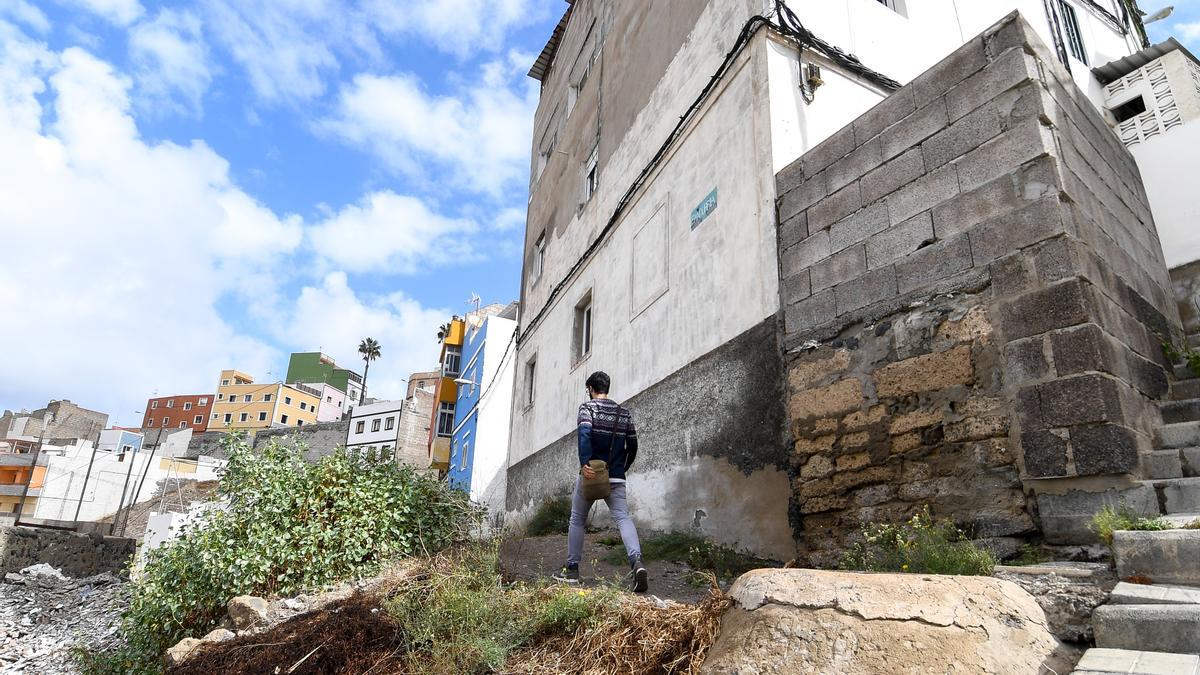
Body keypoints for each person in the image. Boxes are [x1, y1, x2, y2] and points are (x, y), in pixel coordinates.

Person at [554, 371, 648, 592]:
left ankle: (572, 570)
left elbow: (585, 434)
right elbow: (632, 445)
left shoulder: (588, 408)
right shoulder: (624, 413)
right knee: (623, 518)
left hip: (591, 473)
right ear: (607, 387)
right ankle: (637, 562)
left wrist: (584, 462)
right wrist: (622, 467)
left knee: (577, 519)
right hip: (615, 475)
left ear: (590, 388)